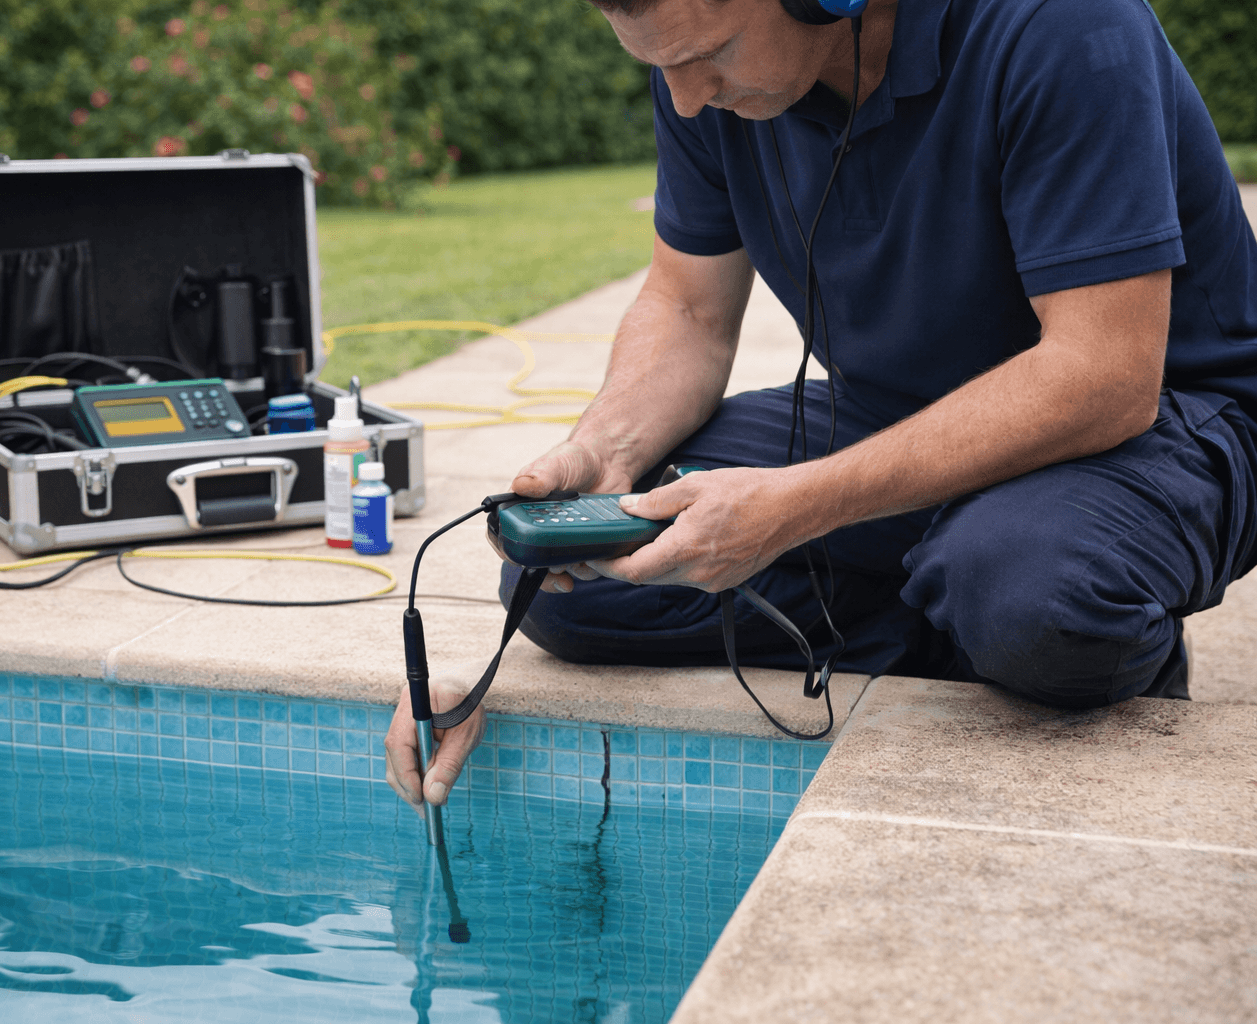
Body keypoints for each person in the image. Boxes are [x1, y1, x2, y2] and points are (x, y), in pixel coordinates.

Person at [385, 0, 1257, 815]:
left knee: (1036, 597)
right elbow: (687, 310)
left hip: (1158, 425)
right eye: (664, 68)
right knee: (579, 586)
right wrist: (604, 452)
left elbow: (1103, 374)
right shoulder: (708, 82)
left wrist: (799, 508)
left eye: (709, 56)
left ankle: (1020, 593)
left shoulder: (1063, 24)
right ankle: (963, 603)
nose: (687, 100)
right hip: (889, 410)